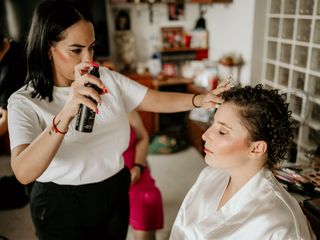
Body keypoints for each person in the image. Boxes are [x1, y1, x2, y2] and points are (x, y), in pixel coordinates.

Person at [7, 0, 232, 239]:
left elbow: (154, 99)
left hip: (113, 189)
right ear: (48, 48)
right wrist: (66, 114)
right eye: (76, 50)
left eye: (91, 47)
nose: (88, 59)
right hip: (60, 202)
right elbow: (23, 172)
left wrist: (200, 99)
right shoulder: (24, 102)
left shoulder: (106, 78)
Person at [169, 84, 316, 239]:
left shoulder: (278, 223)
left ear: (256, 149)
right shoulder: (209, 176)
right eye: (213, 124)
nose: (205, 135)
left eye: (222, 132)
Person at [123, 110, 163, 240]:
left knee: (147, 209)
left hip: (135, 173)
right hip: (104, 181)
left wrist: (138, 167)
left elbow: (143, 137)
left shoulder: (126, 109)